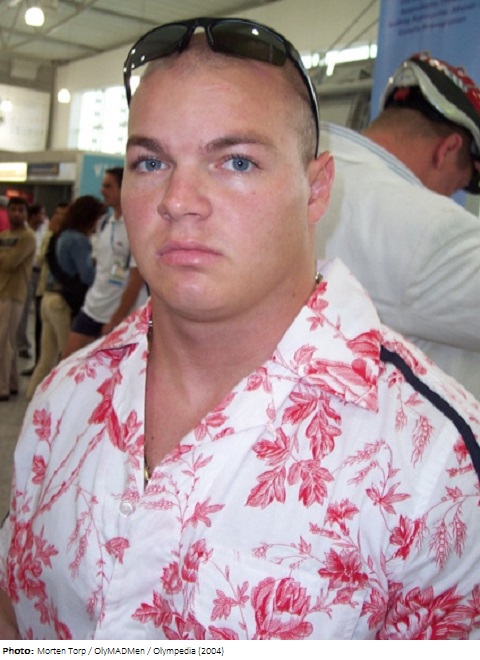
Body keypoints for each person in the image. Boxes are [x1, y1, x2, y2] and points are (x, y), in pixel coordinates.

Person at [1, 19, 480, 640]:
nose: (178, 199)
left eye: (236, 161)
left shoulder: (435, 468)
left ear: (316, 190)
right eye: (151, 161)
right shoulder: (64, 398)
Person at [315, 52, 480, 400]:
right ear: (447, 150)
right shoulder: (433, 229)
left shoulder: (303, 160)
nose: (450, 194)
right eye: (458, 181)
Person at [26, 196, 105, 401]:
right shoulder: (79, 240)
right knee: (69, 356)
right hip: (62, 303)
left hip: (49, 298)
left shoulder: (62, 235)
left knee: (46, 357)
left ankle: (32, 399)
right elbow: (87, 276)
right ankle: (63, 403)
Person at [61, 167, 145, 358]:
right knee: (66, 363)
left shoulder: (136, 227)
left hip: (121, 316)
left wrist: (117, 319)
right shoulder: (104, 223)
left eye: (108, 186)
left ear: (124, 188)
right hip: (92, 308)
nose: (102, 191)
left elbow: (137, 279)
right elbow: (99, 266)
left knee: (108, 371)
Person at [0, 197, 36, 401]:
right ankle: (12, 383)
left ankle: (2, 387)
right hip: (2, 291)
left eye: (21, 210)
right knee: (8, 340)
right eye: (13, 209)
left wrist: (4, 257)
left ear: (26, 213)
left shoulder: (28, 237)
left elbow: (10, 263)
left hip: (14, 294)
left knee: (3, 341)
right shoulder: (5, 235)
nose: (16, 213)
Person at [17, 203, 48, 362]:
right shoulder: (24, 232)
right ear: (34, 215)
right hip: (26, 273)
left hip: (40, 274)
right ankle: (21, 345)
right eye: (41, 214)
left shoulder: (45, 230)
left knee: (38, 313)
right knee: (21, 311)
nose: (44, 217)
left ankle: (31, 348)